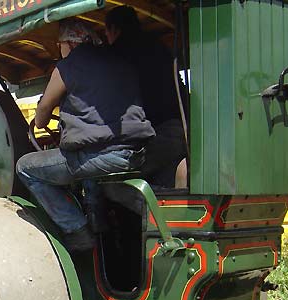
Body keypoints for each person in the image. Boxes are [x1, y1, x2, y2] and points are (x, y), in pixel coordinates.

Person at [16, 19, 155, 252]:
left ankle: (77, 230)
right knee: (89, 163)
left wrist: (43, 117)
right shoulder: (120, 61)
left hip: (102, 156)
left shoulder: (68, 67)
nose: (59, 50)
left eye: (59, 44)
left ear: (69, 43)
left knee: (25, 168)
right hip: (135, 152)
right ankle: (98, 220)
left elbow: (41, 116)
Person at [105, 6, 187, 188]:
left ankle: (152, 212)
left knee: (110, 182)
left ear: (114, 30)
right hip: (182, 130)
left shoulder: (116, 53)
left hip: (155, 135)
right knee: (162, 179)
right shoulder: (158, 46)